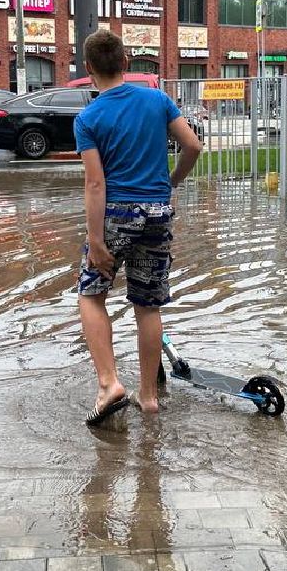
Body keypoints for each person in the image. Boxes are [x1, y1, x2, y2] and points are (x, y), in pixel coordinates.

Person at [75, 29, 202, 425]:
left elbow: (96, 184)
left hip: (116, 214)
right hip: (157, 212)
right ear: (126, 62)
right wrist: (172, 181)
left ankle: (110, 383)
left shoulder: (89, 117)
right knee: (147, 307)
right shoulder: (158, 100)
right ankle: (148, 398)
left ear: (89, 68)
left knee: (91, 295)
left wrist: (96, 242)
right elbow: (193, 146)